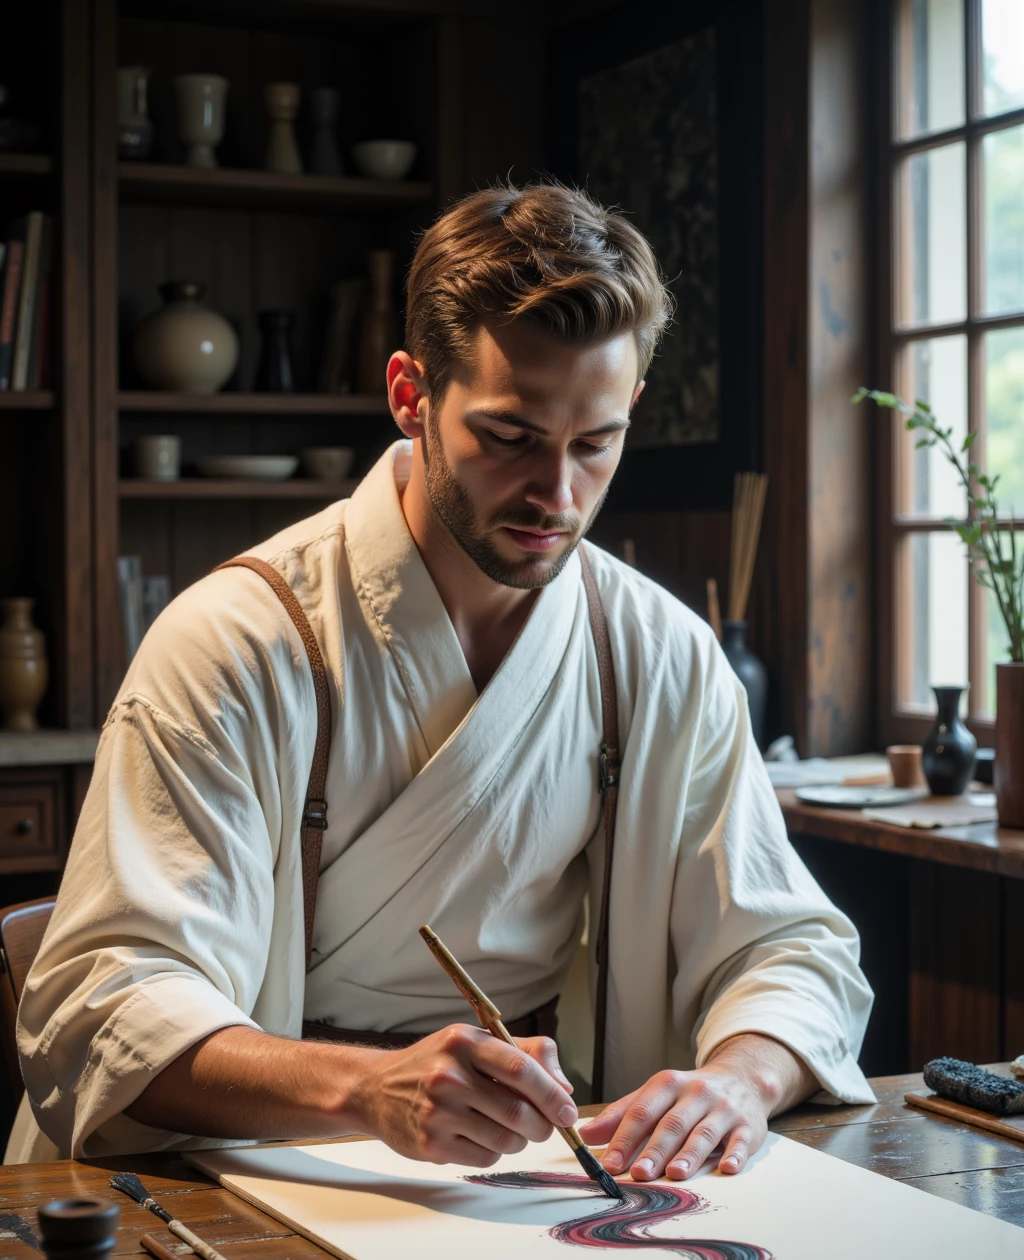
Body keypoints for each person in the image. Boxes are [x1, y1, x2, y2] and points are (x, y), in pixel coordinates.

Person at [7, 182, 874, 1175]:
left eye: (596, 444)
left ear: (630, 406)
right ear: (411, 395)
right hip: (260, 1159)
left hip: (527, 1165)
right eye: (509, 437)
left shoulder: (654, 650)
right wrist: (363, 1091)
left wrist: (736, 1081)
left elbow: (788, 949)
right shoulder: (235, 643)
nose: (557, 495)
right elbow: (107, 1006)